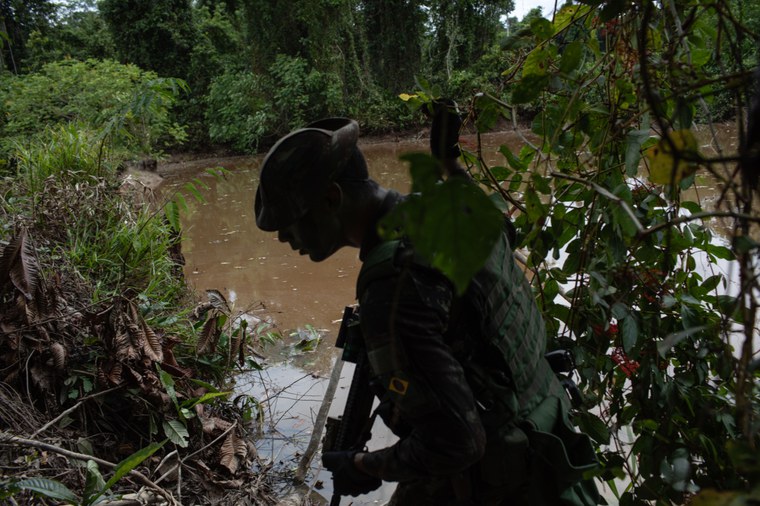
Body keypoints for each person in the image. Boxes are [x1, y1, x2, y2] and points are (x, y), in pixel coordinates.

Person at [254, 105, 600, 505]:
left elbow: (458, 443)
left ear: (332, 198)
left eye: (290, 221)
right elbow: (500, 225)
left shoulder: (393, 283)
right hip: (549, 442)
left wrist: (364, 464)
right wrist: (449, 162)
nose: (284, 238)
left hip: (504, 480)